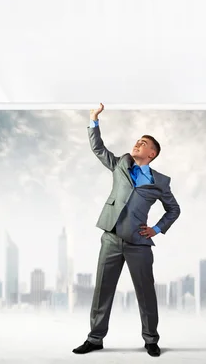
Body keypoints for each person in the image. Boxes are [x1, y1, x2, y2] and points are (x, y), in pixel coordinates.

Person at [72, 103, 181, 358]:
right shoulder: (121, 163)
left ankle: (151, 340)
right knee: (102, 290)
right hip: (111, 237)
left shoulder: (160, 182)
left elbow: (174, 210)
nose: (137, 144)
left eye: (143, 143)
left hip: (138, 244)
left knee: (146, 293)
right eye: (137, 141)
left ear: (152, 154)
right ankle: (95, 338)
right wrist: (93, 120)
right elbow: (98, 149)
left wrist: (156, 229)